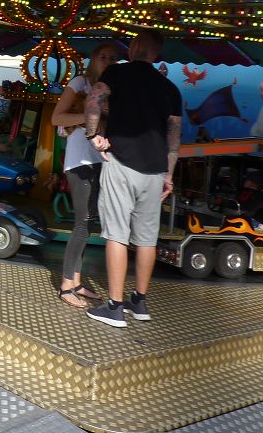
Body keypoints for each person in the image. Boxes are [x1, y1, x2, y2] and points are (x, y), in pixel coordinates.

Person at [82, 29, 182, 328]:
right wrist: (169, 175)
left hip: (122, 162)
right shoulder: (170, 88)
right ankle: (139, 302)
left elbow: (93, 100)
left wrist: (92, 135)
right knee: (147, 240)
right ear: (157, 54)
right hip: (155, 170)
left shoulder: (116, 73)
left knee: (117, 234)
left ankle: (114, 307)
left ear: (134, 47)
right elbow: (174, 137)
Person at [50, 42, 120, 308]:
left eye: (113, 58)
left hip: (101, 160)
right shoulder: (81, 83)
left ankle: (77, 282)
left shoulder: (113, 90)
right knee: (82, 223)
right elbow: (57, 118)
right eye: (103, 56)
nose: (108, 61)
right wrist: (89, 115)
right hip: (79, 159)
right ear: (93, 59)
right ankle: (66, 286)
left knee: (88, 223)